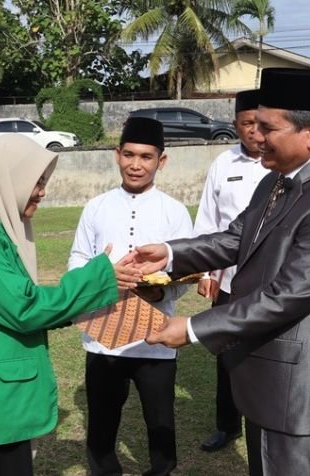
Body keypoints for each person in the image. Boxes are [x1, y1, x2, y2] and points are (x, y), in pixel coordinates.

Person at [131, 68, 310, 475]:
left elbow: (286, 296)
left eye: (267, 127)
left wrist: (192, 329)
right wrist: (170, 254)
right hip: (265, 377)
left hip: (302, 391)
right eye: (253, 125)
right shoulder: (276, 179)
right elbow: (233, 239)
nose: (254, 136)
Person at [0, 135, 137, 476]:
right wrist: (97, 279)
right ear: (8, 180)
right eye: (36, 182)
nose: (42, 192)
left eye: (43, 182)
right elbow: (24, 308)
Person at [68, 116, 193, 476]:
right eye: (129, 154)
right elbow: (77, 260)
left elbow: (186, 268)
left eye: (146, 157)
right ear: (116, 155)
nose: (136, 164)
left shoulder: (174, 211)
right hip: (103, 336)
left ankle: (161, 471)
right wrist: (104, 277)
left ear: (161, 161)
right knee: (102, 423)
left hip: (155, 338)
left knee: (160, 421)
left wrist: (159, 289)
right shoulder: (97, 206)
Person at [192, 89, 269, 453]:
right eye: (246, 124)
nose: (254, 132)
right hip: (228, 279)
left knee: (267, 354)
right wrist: (205, 273)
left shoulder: (281, 164)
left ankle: (264, 421)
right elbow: (208, 220)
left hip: (270, 282)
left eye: (260, 123)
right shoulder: (223, 164)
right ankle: (227, 425)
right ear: (235, 125)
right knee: (226, 355)